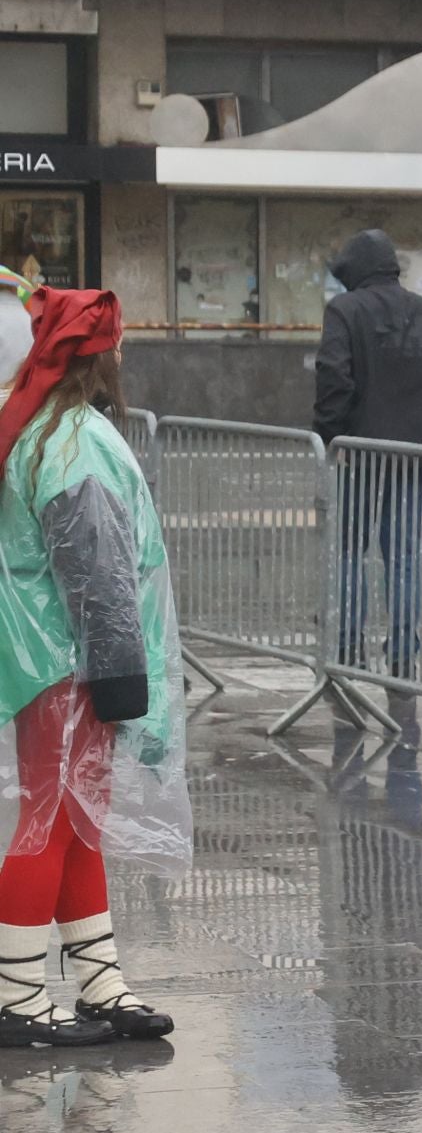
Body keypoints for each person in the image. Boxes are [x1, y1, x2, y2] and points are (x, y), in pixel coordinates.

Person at [0, 269, 191, 1046]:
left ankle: (99, 979)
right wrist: (123, 685)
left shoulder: (41, 429)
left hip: (51, 660)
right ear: (98, 357)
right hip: (71, 665)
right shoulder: (74, 440)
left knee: (76, 820)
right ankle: (16, 996)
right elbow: (101, 579)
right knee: (51, 824)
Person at [315, 229, 422, 679]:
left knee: (352, 551)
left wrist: (332, 437)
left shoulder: (344, 310)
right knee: (405, 552)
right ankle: (402, 653)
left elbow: (334, 377)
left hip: (360, 451)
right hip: (418, 453)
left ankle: (350, 650)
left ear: (356, 272)